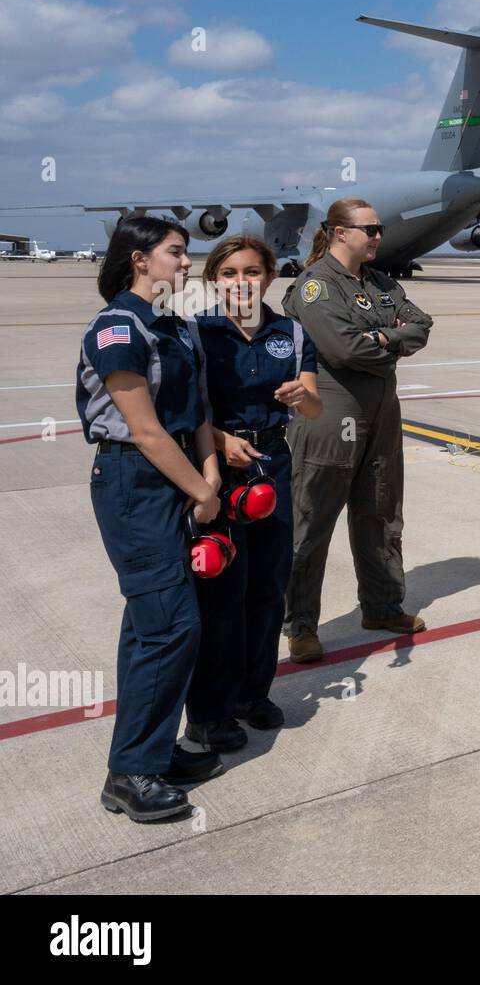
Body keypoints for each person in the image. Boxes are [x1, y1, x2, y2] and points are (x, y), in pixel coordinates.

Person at [78, 215, 225, 821]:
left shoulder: (175, 323)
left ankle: (150, 752)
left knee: (150, 623)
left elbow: (198, 412)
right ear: (140, 260)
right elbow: (142, 429)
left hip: (180, 475)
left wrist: (210, 471)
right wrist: (203, 491)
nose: (187, 263)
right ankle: (130, 774)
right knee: (170, 624)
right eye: (176, 252)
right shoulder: (118, 329)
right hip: (133, 482)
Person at [281, 198, 433, 662]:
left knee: (382, 512)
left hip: (383, 412)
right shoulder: (315, 287)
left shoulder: (381, 282)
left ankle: (383, 605)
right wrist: (390, 341)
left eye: (379, 228)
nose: (378, 236)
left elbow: (422, 325)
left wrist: (384, 337)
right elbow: (344, 349)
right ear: (339, 232)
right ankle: (301, 624)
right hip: (331, 412)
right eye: (370, 229)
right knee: (312, 521)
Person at [185, 237, 321, 750]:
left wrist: (302, 395)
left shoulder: (292, 332)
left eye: (252, 271)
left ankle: (252, 693)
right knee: (221, 590)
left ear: (269, 277)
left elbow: (312, 409)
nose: (241, 281)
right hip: (215, 467)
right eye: (229, 273)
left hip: (272, 466)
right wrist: (219, 440)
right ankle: (210, 709)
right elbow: (184, 409)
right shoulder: (197, 333)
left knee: (268, 585)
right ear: (214, 281)